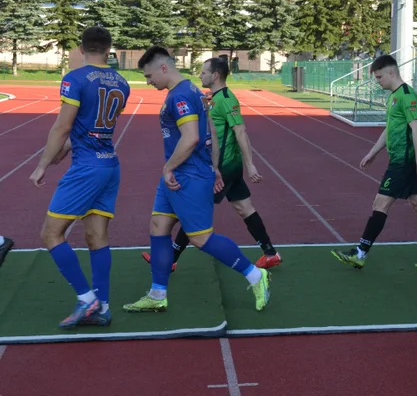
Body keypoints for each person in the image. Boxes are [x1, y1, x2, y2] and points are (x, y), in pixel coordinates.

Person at [124, 47, 270, 313]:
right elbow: (211, 130)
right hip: (180, 173)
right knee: (158, 226)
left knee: (201, 238)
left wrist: (169, 167)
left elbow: (192, 137)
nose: (148, 81)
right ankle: (158, 294)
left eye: (148, 76)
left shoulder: (180, 95)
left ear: (164, 68)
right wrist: (213, 166)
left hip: (185, 176)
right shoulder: (191, 90)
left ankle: (255, 275)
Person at [27, 26, 129, 328]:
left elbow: (63, 126)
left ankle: (88, 300)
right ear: (109, 50)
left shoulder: (75, 78)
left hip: (86, 168)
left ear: (81, 49)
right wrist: (68, 147)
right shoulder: (122, 83)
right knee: (97, 236)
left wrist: (43, 164)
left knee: (50, 233)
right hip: (109, 164)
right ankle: (103, 306)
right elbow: (95, 128)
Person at [141, 57, 281, 272]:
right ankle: (270, 253)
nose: (200, 75)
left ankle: (172, 257)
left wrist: (250, 164)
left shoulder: (226, 99)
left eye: (204, 72)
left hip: (221, 166)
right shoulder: (211, 99)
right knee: (244, 208)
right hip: (227, 165)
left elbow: (240, 131)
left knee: (192, 212)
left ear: (215, 75)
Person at [332, 54, 417, 269]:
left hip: (403, 163)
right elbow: (390, 128)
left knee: (380, 203)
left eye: (379, 77)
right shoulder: (393, 96)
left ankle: (360, 252)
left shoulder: (407, 95)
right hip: (400, 160)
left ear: (391, 73)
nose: (378, 81)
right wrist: (373, 152)